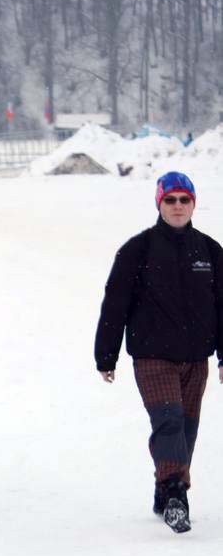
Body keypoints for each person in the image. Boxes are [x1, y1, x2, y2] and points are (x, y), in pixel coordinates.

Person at [95, 170, 223, 533]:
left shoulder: (210, 251)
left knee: (186, 429)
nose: (178, 206)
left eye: (185, 199)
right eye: (171, 199)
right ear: (159, 203)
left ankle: (163, 486)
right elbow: (115, 304)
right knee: (168, 421)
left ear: (194, 203)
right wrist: (106, 355)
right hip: (152, 356)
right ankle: (175, 494)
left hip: (196, 357)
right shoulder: (138, 249)